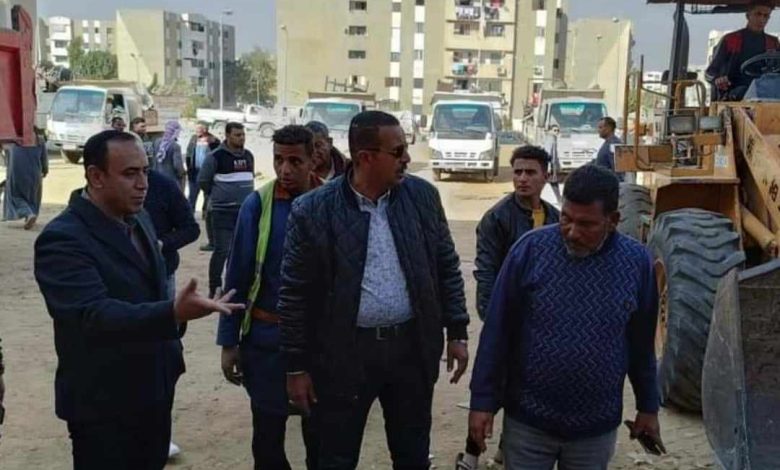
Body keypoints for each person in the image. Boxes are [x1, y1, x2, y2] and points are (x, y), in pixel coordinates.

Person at [33, 130, 243, 469]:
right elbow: (92, 315)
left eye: (145, 171)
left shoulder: (139, 218)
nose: (143, 183)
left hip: (155, 388)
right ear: (95, 176)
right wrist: (171, 312)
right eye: (130, 173)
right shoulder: (62, 239)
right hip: (104, 402)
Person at [278, 111, 470, 469]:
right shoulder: (313, 211)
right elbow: (294, 295)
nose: (407, 159)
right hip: (342, 356)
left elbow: (445, 267)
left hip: (411, 350)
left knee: (412, 455)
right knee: (333, 458)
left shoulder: (422, 198)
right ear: (366, 157)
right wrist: (296, 366)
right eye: (397, 151)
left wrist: (457, 330)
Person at [468, 164, 663, 470]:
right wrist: (482, 402)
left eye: (586, 224)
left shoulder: (636, 264)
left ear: (613, 221)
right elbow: (497, 333)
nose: (572, 232)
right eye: (566, 219)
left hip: (595, 430)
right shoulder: (530, 251)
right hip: (528, 423)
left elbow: (641, 346)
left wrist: (648, 407)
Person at [218, 125, 322, 469]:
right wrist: (229, 341)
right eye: (279, 160)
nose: (285, 169)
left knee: (321, 441)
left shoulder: (333, 203)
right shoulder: (257, 205)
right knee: (267, 440)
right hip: (266, 344)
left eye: (295, 161)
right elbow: (237, 275)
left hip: (320, 345)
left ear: (314, 160)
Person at [456, 146, 561, 470]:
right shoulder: (496, 218)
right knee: (492, 387)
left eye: (530, 172)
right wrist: (494, 320)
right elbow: (486, 272)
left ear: (546, 176)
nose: (522, 179)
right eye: (517, 172)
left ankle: (506, 450)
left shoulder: (557, 218)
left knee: (528, 390)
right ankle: (471, 455)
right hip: (508, 320)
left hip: (545, 325)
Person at [199, 122, 255, 298]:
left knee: (242, 251)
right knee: (222, 250)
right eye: (237, 135)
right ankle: (215, 288)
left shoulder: (248, 156)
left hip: (244, 212)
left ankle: (234, 287)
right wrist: (218, 196)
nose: (241, 138)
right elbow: (203, 181)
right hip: (222, 212)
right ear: (228, 136)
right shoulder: (216, 156)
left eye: (243, 134)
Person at [706, 0, 779, 101]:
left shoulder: (773, 43)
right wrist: (717, 79)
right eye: (758, 14)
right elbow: (710, 73)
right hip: (734, 92)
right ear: (748, 16)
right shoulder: (730, 40)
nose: (762, 19)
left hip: (766, 91)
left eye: (766, 16)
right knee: (744, 92)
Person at [2, 127, 48, 230]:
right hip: (35, 173)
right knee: (33, 196)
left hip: (16, 173)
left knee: (15, 196)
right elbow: (44, 158)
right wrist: (45, 170)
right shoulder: (39, 139)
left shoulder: (12, 138)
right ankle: (30, 215)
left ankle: (28, 214)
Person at [185, 121, 220, 212]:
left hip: (207, 172)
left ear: (205, 129)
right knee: (192, 195)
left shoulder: (214, 140)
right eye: (196, 128)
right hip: (194, 172)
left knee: (207, 195)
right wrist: (188, 168)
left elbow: (218, 156)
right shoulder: (193, 139)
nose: (196, 130)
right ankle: (190, 214)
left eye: (199, 128)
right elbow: (188, 154)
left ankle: (206, 213)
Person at [152, 121, 186, 191]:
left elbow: (154, 160)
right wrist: (183, 174)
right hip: (171, 179)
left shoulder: (157, 142)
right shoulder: (175, 146)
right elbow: (177, 165)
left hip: (157, 177)